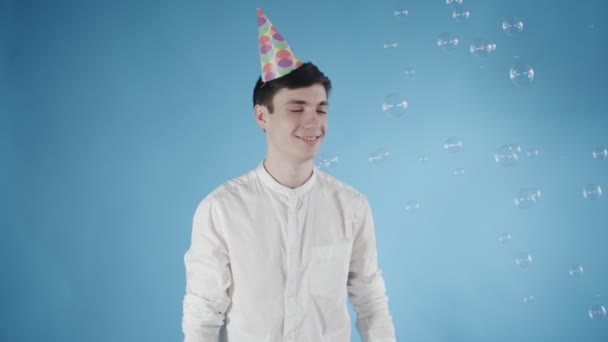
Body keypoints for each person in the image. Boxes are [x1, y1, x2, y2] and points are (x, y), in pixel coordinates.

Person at [182, 8, 396, 342]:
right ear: (261, 116)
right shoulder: (221, 209)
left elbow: (371, 302)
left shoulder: (351, 206)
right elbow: (204, 311)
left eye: (321, 109)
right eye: (296, 109)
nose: (313, 121)